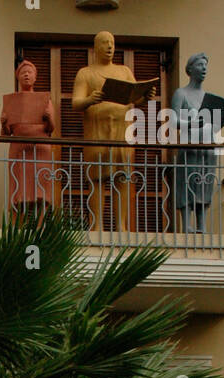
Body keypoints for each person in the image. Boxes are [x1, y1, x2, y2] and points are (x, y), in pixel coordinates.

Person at [72, 31, 156, 232]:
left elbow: (134, 98)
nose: (109, 46)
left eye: (112, 42)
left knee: (123, 178)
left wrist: (146, 96)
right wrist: (90, 99)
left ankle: (121, 226)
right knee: (97, 178)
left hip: (122, 131)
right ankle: (97, 226)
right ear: (96, 47)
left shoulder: (124, 71)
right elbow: (75, 102)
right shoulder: (85, 73)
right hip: (97, 132)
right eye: (104, 43)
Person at [0, 59, 56, 218]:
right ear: (18, 78)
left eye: (29, 72)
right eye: (23, 73)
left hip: (40, 148)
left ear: (35, 77)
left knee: (41, 189)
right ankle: (18, 226)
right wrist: (4, 123)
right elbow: (5, 133)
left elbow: (51, 128)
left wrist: (49, 118)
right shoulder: (12, 102)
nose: (26, 75)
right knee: (20, 189)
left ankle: (40, 225)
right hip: (20, 148)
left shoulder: (45, 100)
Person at [171, 53, 219, 234]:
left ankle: (202, 225)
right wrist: (190, 123)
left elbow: (212, 125)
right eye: (200, 65)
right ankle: (186, 224)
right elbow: (172, 121)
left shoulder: (208, 96)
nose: (204, 68)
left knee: (205, 183)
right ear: (190, 69)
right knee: (188, 182)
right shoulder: (181, 94)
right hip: (189, 146)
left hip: (207, 146)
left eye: (205, 65)